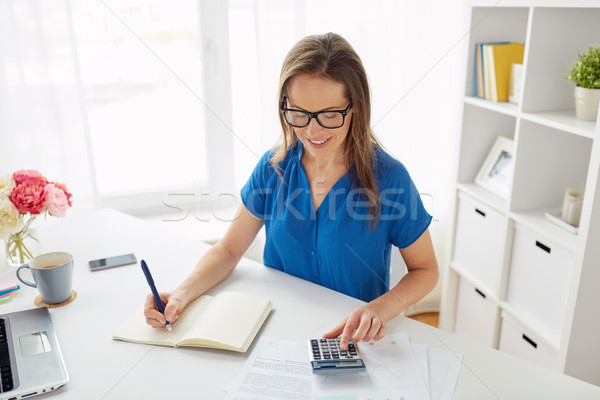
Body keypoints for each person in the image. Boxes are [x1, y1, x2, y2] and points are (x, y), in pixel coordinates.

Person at [144, 32, 439, 351]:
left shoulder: (390, 178)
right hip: (273, 336)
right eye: (298, 113)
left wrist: (378, 310)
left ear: (355, 107)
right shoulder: (273, 167)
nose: (312, 131)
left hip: (350, 341)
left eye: (329, 115)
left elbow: (426, 270)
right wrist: (182, 293)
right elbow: (229, 251)